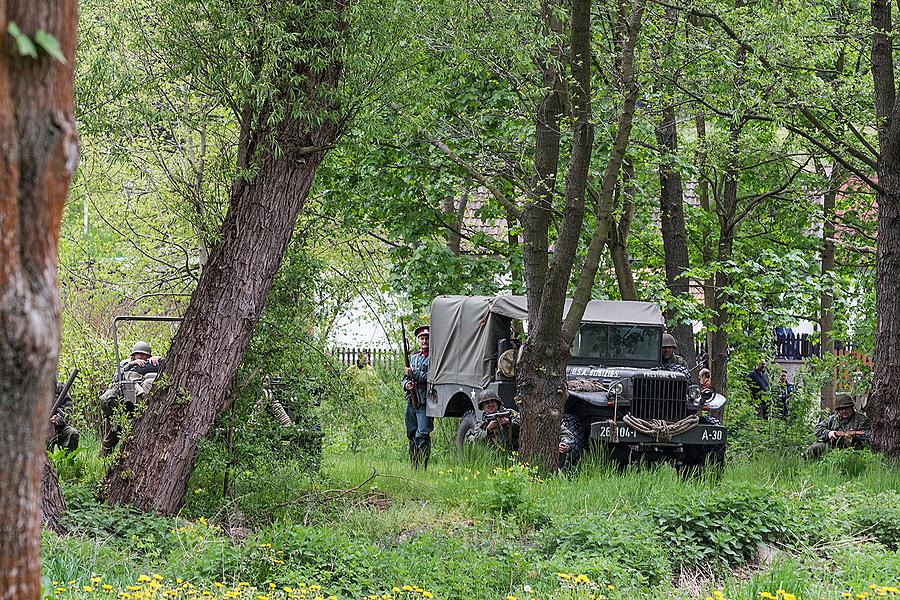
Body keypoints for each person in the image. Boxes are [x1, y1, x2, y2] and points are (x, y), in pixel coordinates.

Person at [99, 341, 164, 455]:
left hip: (143, 403)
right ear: (133, 355)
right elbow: (116, 379)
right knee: (112, 434)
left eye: (145, 355)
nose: (142, 357)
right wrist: (132, 365)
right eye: (140, 355)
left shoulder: (152, 364)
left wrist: (160, 360)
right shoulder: (126, 364)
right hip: (123, 403)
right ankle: (103, 457)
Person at [804, 392, 871, 460]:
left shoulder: (861, 419)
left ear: (852, 407)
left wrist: (855, 435)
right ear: (837, 410)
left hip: (854, 450)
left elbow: (868, 436)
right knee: (814, 448)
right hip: (833, 448)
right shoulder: (833, 419)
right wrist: (830, 433)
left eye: (846, 408)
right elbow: (818, 428)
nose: (844, 411)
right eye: (841, 409)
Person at [402, 325, 433, 469]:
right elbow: (404, 378)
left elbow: (430, 377)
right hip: (411, 400)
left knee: (423, 435)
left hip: (425, 401)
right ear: (418, 340)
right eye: (422, 338)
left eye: (427, 338)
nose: (424, 341)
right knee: (412, 434)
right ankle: (414, 467)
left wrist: (413, 374)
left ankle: (422, 468)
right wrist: (406, 385)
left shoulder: (434, 358)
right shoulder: (413, 358)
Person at [49, 381, 80, 453]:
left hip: (59, 428)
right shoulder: (35, 389)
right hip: (40, 430)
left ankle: (68, 461)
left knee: (73, 433)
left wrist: (58, 419)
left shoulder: (60, 388)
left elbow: (68, 412)